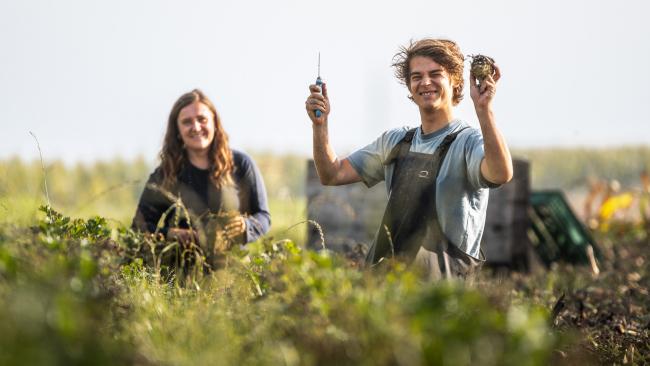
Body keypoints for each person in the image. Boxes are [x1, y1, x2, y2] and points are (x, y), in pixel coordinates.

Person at [304, 39, 512, 282]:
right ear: (409, 85)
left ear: (455, 81)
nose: (425, 82)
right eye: (416, 76)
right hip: (389, 285)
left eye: (436, 74)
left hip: (444, 293)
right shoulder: (396, 141)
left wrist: (484, 110)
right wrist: (320, 126)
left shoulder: (468, 142)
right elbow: (332, 174)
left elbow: (500, 174)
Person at [133, 89, 271, 257]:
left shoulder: (241, 164)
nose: (196, 127)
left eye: (202, 119)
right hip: (182, 275)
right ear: (177, 128)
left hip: (234, 273)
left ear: (214, 122)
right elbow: (139, 227)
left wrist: (245, 225)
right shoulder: (166, 173)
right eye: (187, 122)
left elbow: (263, 217)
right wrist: (172, 234)